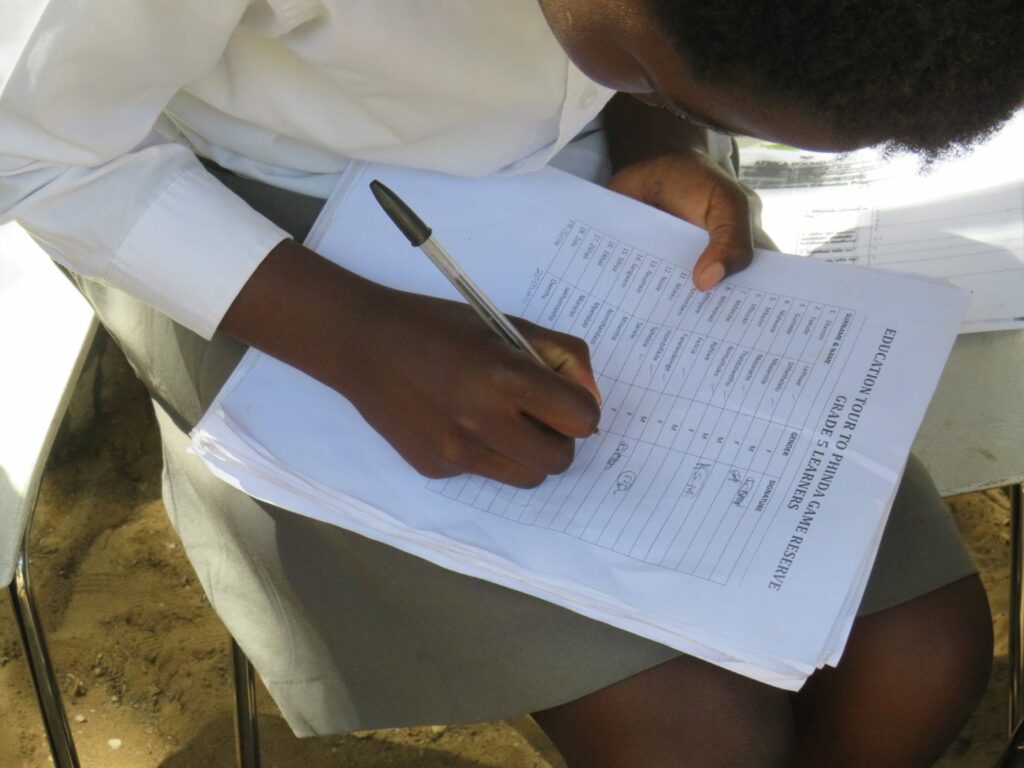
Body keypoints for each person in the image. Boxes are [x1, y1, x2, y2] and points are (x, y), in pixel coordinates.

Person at [2, 0, 1021, 764]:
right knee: (691, 736)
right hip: (267, 236)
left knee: (917, 662)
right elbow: (36, 150)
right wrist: (363, 341)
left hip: (585, 197)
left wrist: (657, 135)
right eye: (666, 85)